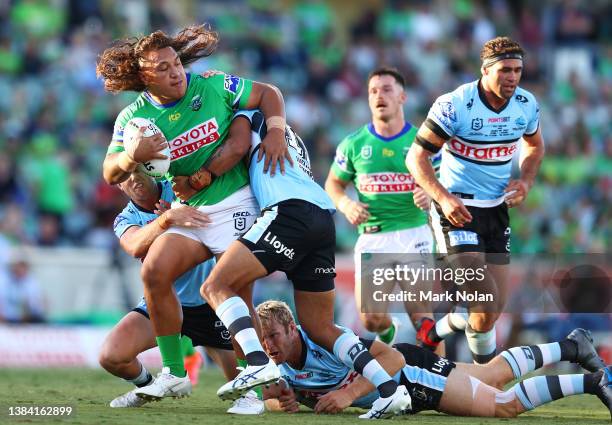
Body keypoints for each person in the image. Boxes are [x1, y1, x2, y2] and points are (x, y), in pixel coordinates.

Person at [97, 24, 290, 399]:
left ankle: (257, 388)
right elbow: (110, 173)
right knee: (154, 270)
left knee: (236, 293)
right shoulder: (133, 121)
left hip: (236, 203)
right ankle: (173, 372)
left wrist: (276, 132)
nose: (176, 73)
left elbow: (268, 94)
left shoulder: (213, 84)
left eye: (176, 64)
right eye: (164, 69)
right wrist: (129, 156)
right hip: (194, 212)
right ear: (143, 77)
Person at [191, 110, 412, 418]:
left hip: (288, 213)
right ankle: (389, 391)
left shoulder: (244, 114)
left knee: (215, 285)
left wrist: (202, 174)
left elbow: (238, 148)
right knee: (320, 327)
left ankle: (257, 363)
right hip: (322, 217)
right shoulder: (288, 136)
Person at [406, 36, 546, 363]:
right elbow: (416, 157)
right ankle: (487, 381)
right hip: (456, 212)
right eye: (505, 70)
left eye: (518, 70)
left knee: (490, 312)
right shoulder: (454, 104)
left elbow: (535, 146)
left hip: (496, 211)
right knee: (484, 301)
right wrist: (442, 197)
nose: (512, 77)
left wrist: (525, 180)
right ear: (485, 71)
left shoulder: (526, 104)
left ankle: (433, 333)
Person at [256, 300, 611, 419]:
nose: (269, 345)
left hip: (411, 376)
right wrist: (282, 401)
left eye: (273, 335)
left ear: (292, 328)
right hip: (410, 376)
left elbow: (390, 357)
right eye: (263, 339)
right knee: (492, 375)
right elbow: (270, 394)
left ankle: (594, 382)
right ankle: (572, 347)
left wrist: (348, 395)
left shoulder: (323, 337)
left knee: (503, 405)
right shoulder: (277, 364)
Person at [99, 170, 264, 414]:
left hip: (211, 305)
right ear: (119, 187)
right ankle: (149, 386)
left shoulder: (178, 186)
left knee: (255, 387)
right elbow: (134, 245)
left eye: (137, 170)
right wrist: (166, 221)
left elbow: (215, 217)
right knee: (110, 356)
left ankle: (270, 389)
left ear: (150, 169)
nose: (133, 179)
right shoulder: (125, 219)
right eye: (125, 177)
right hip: (163, 306)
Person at [325, 66, 442, 350]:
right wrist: (346, 204)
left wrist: (431, 194)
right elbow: (333, 184)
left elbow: (444, 183)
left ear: (402, 97)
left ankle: (444, 383)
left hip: (414, 234)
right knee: (371, 320)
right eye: (373, 91)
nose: (379, 95)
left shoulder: (422, 143)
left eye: (387, 89)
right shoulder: (353, 144)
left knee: (423, 320)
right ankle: (388, 331)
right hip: (373, 237)